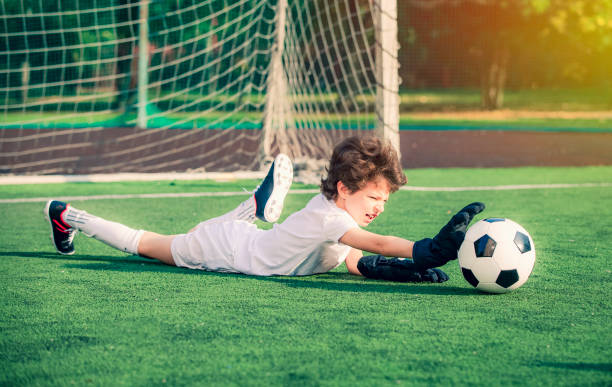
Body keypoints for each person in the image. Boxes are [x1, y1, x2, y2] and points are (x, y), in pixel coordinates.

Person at [44, 136, 485, 283]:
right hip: (224, 252)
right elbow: (377, 243)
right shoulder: (332, 218)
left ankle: (255, 205)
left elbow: (352, 259)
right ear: (345, 188)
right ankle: (68, 215)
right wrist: (427, 250)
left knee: (243, 229)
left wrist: (398, 271)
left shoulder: (332, 214)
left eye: (385, 201)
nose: (379, 208)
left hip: (243, 241)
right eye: (374, 197)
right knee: (143, 244)